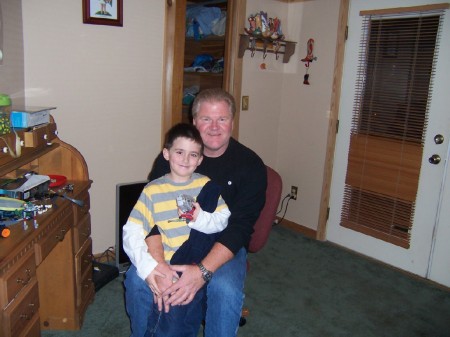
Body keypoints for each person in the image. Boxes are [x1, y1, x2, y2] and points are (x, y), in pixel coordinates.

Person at [149, 88, 267, 336]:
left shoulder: (251, 165)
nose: (214, 127)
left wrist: (202, 272)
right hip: (174, 237)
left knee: (224, 289)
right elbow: (150, 216)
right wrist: (158, 265)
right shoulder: (171, 159)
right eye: (206, 119)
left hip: (225, 244)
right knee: (137, 282)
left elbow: (241, 228)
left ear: (232, 122)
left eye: (222, 119)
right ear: (194, 122)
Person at [123, 123, 231, 337]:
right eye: (179, 152)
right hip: (163, 259)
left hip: (193, 261)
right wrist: (150, 268)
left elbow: (223, 219)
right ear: (166, 153)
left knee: (177, 317)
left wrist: (200, 218)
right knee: (134, 282)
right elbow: (132, 230)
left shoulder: (206, 186)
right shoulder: (153, 190)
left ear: (200, 159)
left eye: (193, 155)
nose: (185, 159)